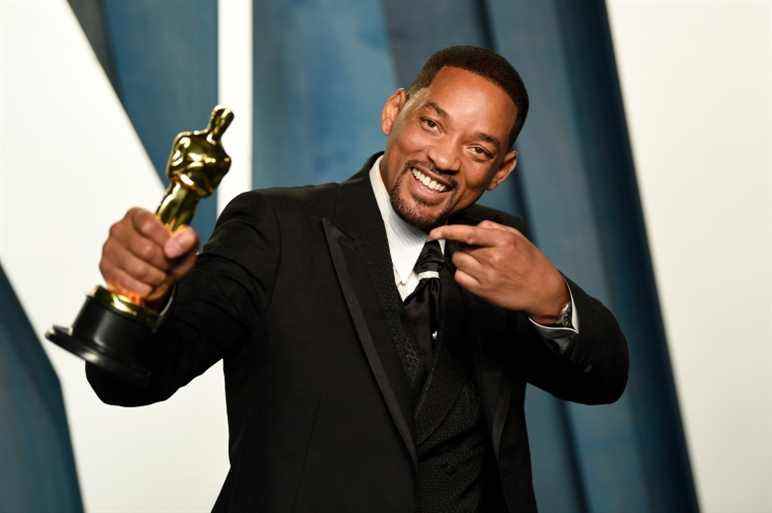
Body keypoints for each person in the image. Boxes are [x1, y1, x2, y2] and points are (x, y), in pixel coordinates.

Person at [89, 46, 628, 513]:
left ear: (502, 170)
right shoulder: (275, 227)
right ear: (395, 111)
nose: (443, 158)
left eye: (478, 149)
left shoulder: (501, 249)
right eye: (432, 124)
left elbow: (603, 380)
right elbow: (134, 379)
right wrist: (139, 300)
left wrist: (552, 299)